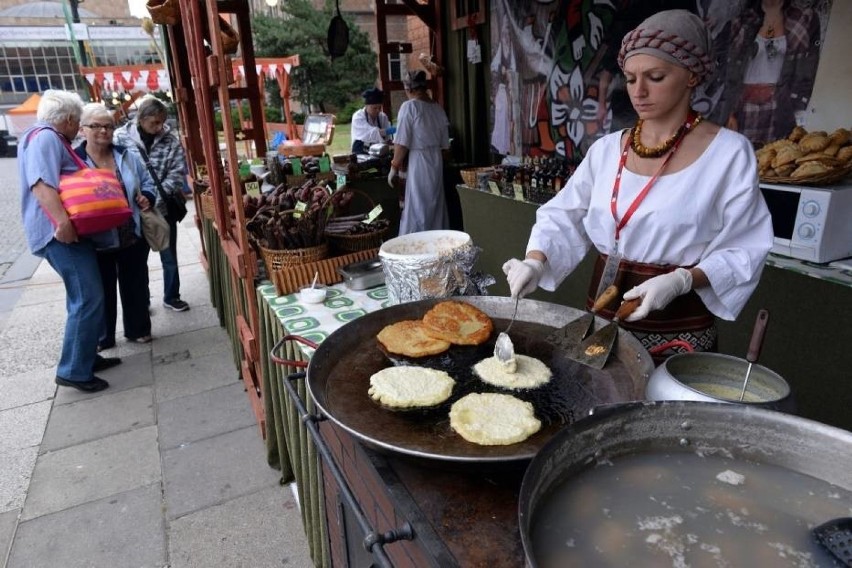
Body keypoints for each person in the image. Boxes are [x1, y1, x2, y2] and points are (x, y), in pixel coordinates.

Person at [503, 10, 774, 361]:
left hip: (678, 323)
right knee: (601, 402)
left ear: (692, 75)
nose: (639, 91)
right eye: (630, 79)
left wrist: (682, 281)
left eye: (655, 77)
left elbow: (745, 246)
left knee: (667, 410)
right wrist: (536, 261)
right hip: (602, 311)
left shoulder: (728, 154)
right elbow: (565, 213)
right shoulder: (607, 150)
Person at [18, 90, 121, 392]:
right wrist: (62, 222)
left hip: (66, 231)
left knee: (84, 294)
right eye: (77, 121)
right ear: (64, 118)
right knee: (87, 296)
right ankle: (74, 369)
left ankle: (86, 356)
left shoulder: (44, 137)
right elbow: (41, 184)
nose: (78, 127)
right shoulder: (46, 138)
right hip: (60, 233)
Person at [76, 103, 157, 350]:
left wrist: (146, 196)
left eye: (109, 126)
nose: (103, 131)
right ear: (82, 130)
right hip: (95, 238)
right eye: (96, 126)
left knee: (136, 284)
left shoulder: (126, 154)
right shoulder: (74, 161)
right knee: (101, 289)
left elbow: (148, 182)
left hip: (130, 232)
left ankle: (138, 329)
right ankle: (104, 336)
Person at [113, 95, 190, 312]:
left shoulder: (170, 141)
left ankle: (172, 295)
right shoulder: (120, 138)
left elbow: (176, 174)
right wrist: (135, 196)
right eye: (153, 122)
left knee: (169, 254)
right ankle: (142, 300)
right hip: (133, 209)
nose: (158, 127)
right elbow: (114, 170)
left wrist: (152, 195)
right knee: (138, 259)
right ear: (141, 119)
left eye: (161, 122)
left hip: (162, 207)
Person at [719, 0, 821, 146]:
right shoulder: (740, 20)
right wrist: (729, 111)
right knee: (739, 155)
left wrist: (797, 113)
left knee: (775, 161)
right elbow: (725, 72)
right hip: (742, 109)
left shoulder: (805, 18)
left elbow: (807, 72)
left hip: (781, 108)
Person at [388, 70, 451, 235]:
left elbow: (402, 142)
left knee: (417, 207)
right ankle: (437, 242)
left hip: (419, 162)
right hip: (435, 162)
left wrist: (394, 166)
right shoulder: (438, 109)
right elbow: (445, 146)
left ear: (409, 89)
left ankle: (417, 245)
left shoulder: (409, 107)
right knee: (434, 205)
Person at [350, 87, 394, 154]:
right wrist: (388, 131)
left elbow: (387, 139)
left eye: (379, 107)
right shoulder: (358, 117)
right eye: (374, 108)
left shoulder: (383, 117)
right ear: (366, 106)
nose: (378, 110)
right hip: (361, 150)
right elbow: (371, 133)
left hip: (378, 152)